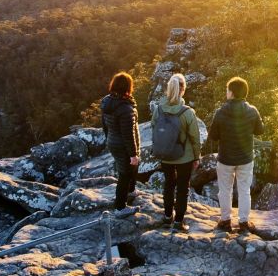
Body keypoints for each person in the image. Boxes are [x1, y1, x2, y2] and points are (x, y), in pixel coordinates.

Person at [207, 76, 264, 233]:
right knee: (245, 190)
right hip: (245, 158)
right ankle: (244, 222)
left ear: (231, 93)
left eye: (227, 90)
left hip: (225, 158)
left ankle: (225, 220)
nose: (226, 93)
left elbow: (212, 136)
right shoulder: (252, 111)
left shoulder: (220, 112)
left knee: (225, 190)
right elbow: (260, 130)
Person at [150, 72, 204, 232]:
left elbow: (154, 127)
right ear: (183, 90)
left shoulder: (159, 109)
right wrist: (196, 157)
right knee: (182, 188)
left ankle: (167, 217)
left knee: (168, 184)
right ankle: (178, 222)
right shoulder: (187, 112)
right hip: (184, 157)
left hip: (165, 155)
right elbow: (195, 137)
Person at [101, 71, 139, 218]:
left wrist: (109, 138)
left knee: (127, 170)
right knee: (125, 173)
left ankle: (130, 192)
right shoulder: (125, 109)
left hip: (113, 141)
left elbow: (104, 124)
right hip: (123, 145)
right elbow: (128, 135)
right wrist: (133, 154)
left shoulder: (107, 101)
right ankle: (120, 207)